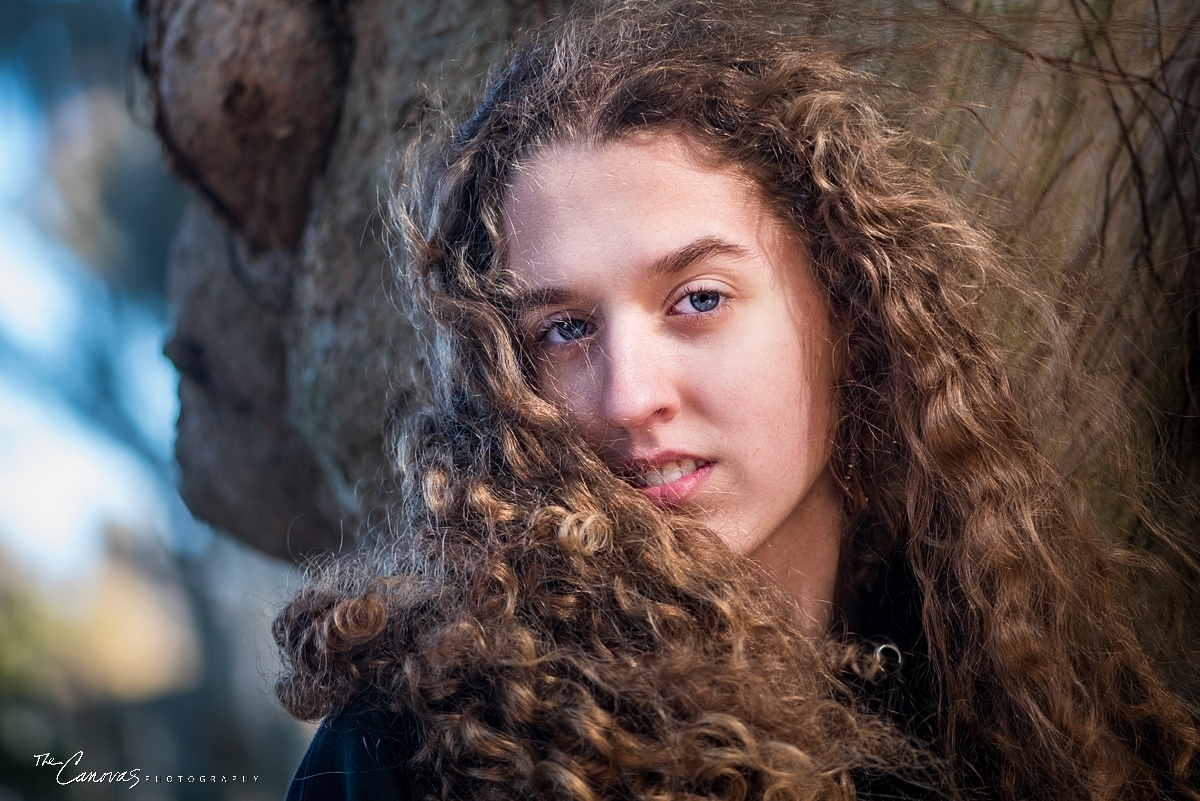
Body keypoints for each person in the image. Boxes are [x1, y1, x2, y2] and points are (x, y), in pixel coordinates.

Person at [274, 1, 1200, 799]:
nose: (628, 397)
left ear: (847, 307)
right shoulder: (415, 747)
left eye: (698, 300)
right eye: (564, 328)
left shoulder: (1016, 683)